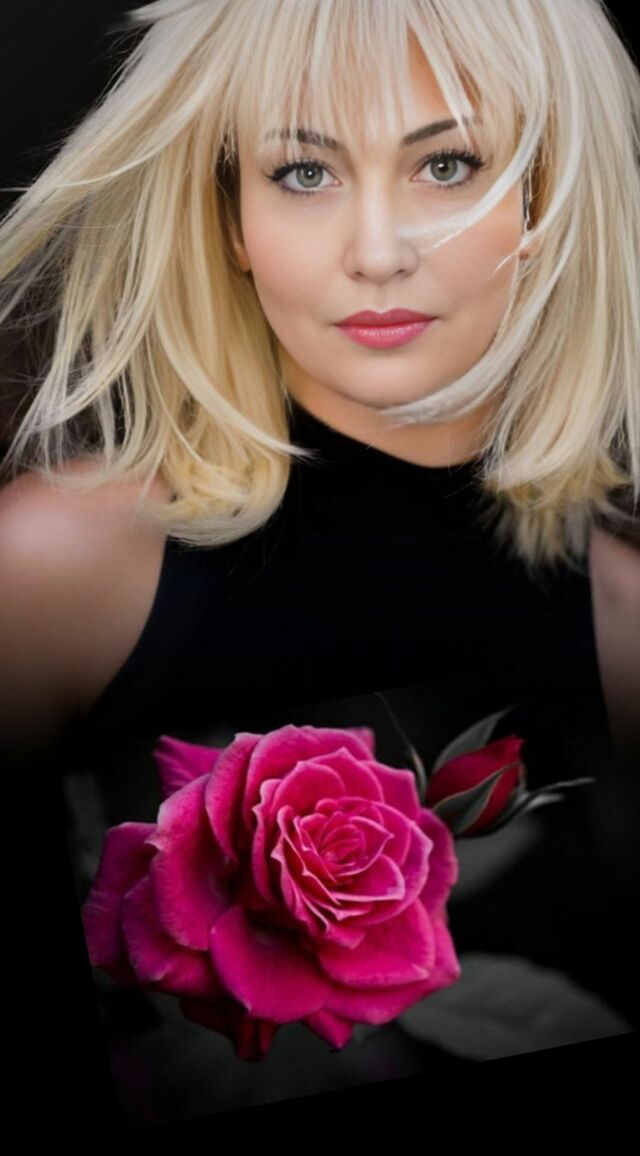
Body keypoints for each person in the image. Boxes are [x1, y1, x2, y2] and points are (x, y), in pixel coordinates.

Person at [0, 0, 638, 1122]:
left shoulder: (623, 608)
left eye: (447, 165)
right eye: (304, 173)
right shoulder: (53, 576)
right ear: (231, 221)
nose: (377, 253)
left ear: (545, 200)